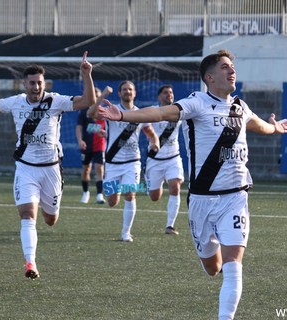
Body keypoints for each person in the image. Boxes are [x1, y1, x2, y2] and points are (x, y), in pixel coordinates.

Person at [96, 50, 287, 319]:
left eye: (232, 66)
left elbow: (259, 126)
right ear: (209, 77)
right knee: (212, 267)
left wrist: (275, 127)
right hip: (202, 201)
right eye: (225, 67)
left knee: (233, 266)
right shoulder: (196, 103)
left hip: (236, 197)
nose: (232, 71)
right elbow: (160, 112)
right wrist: (124, 116)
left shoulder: (240, 107)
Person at [0, 52, 95, 279]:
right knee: (28, 215)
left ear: (43, 83)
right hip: (26, 168)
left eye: (39, 83)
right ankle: (31, 263)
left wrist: (87, 74)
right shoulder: (15, 102)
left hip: (52, 169)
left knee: (50, 220)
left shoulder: (56, 100)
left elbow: (88, 102)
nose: (36, 87)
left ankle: (43, 231)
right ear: (24, 84)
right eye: (32, 83)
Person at [88, 80, 159, 242]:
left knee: (130, 193)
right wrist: (104, 96)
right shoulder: (112, 110)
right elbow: (90, 115)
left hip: (132, 161)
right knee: (112, 201)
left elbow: (150, 132)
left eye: (130, 89)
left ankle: (126, 233)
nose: (128, 92)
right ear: (119, 94)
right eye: (124, 90)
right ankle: (93, 192)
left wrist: (155, 142)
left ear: (134, 93)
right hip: (112, 161)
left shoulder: (141, 113)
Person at [145, 84, 184, 235]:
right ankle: (152, 182)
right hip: (155, 159)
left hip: (173, 158)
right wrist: (153, 139)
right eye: (166, 93)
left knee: (175, 187)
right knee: (155, 197)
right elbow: (145, 127)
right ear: (159, 96)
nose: (169, 95)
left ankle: (170, 226)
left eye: (171, 92)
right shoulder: (153, 111)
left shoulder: (179, 111)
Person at [75, 87, 106, 204]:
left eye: (98, 95)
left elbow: (107, 128)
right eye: (94, 95)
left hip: (99, 146)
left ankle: (99, 195)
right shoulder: (84, 111)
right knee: (86, 169)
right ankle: (85, 192)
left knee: (99, 168)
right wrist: (80, 141)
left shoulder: (104, 111)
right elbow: (79, 128)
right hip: (86, 145)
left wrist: (104, 133)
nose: (96, 97)